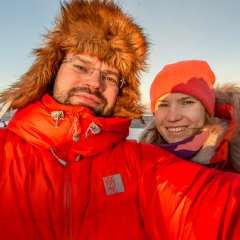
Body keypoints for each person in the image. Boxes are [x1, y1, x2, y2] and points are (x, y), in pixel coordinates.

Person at [0, 1, 240, 239]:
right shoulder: (5, 151)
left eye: (110, 77)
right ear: (53, 68)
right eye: (81, 66)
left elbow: (217, 205)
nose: (95, 82)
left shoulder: (140, 161)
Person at [139, 59, 240, 173]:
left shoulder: (232, 165)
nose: (173, 117)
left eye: (187, 102)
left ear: (207, 110)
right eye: (163, 104)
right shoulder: (139, 162)